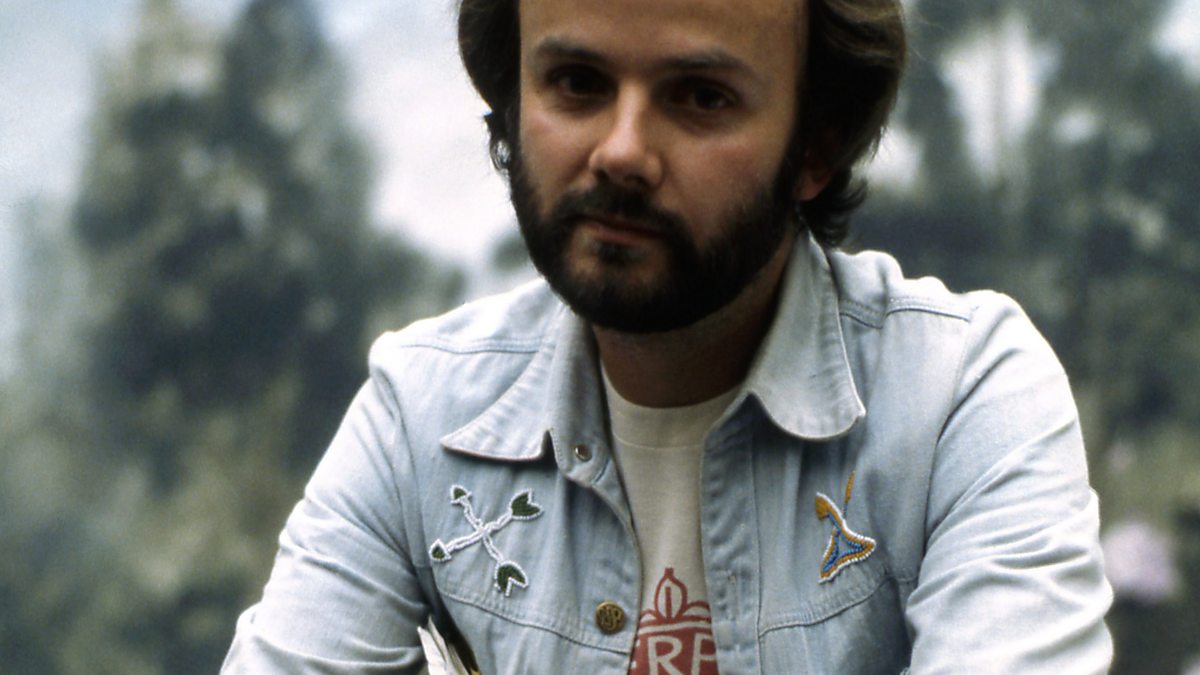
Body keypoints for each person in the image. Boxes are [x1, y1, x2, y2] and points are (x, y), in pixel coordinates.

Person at [224, 0, 1113, 671]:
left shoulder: (960, 395)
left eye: (699, 97)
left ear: (817, 144)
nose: (621, 151)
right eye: (578, 83)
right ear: (511, 101)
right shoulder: (423, 413)